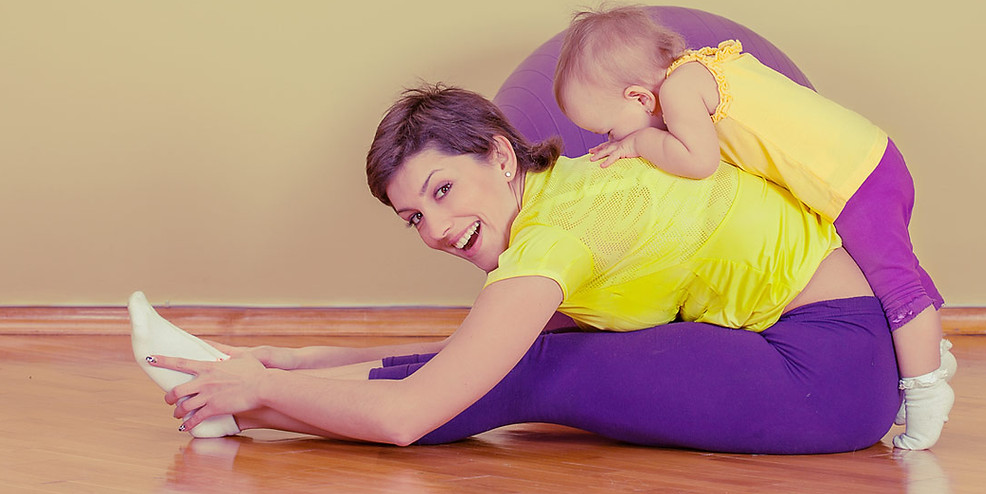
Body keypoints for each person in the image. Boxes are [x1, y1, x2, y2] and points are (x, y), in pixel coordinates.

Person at [142, 83, 903, 454]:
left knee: (535, 371)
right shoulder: (570, 183)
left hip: (823, 374)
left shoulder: (556, 237)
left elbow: (411, 415)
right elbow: (476, 352)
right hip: (840, 355)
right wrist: (311, 360)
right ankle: (230, 398)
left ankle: (232, 405)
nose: (437, 231)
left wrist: (269, 385)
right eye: (414, 217)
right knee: (530, 357)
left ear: (501, 157)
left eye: (443, 191)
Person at [552, 5, 955, 450]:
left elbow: (700, 163)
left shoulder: (681, 92)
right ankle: (930, 355)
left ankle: (926, 390)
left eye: (609, 129)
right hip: (866, 161)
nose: (611, 141)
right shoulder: (701, 67)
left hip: (854, 178)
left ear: (640, 98)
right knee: (897, 271)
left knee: (897, 288)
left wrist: (641, 141)